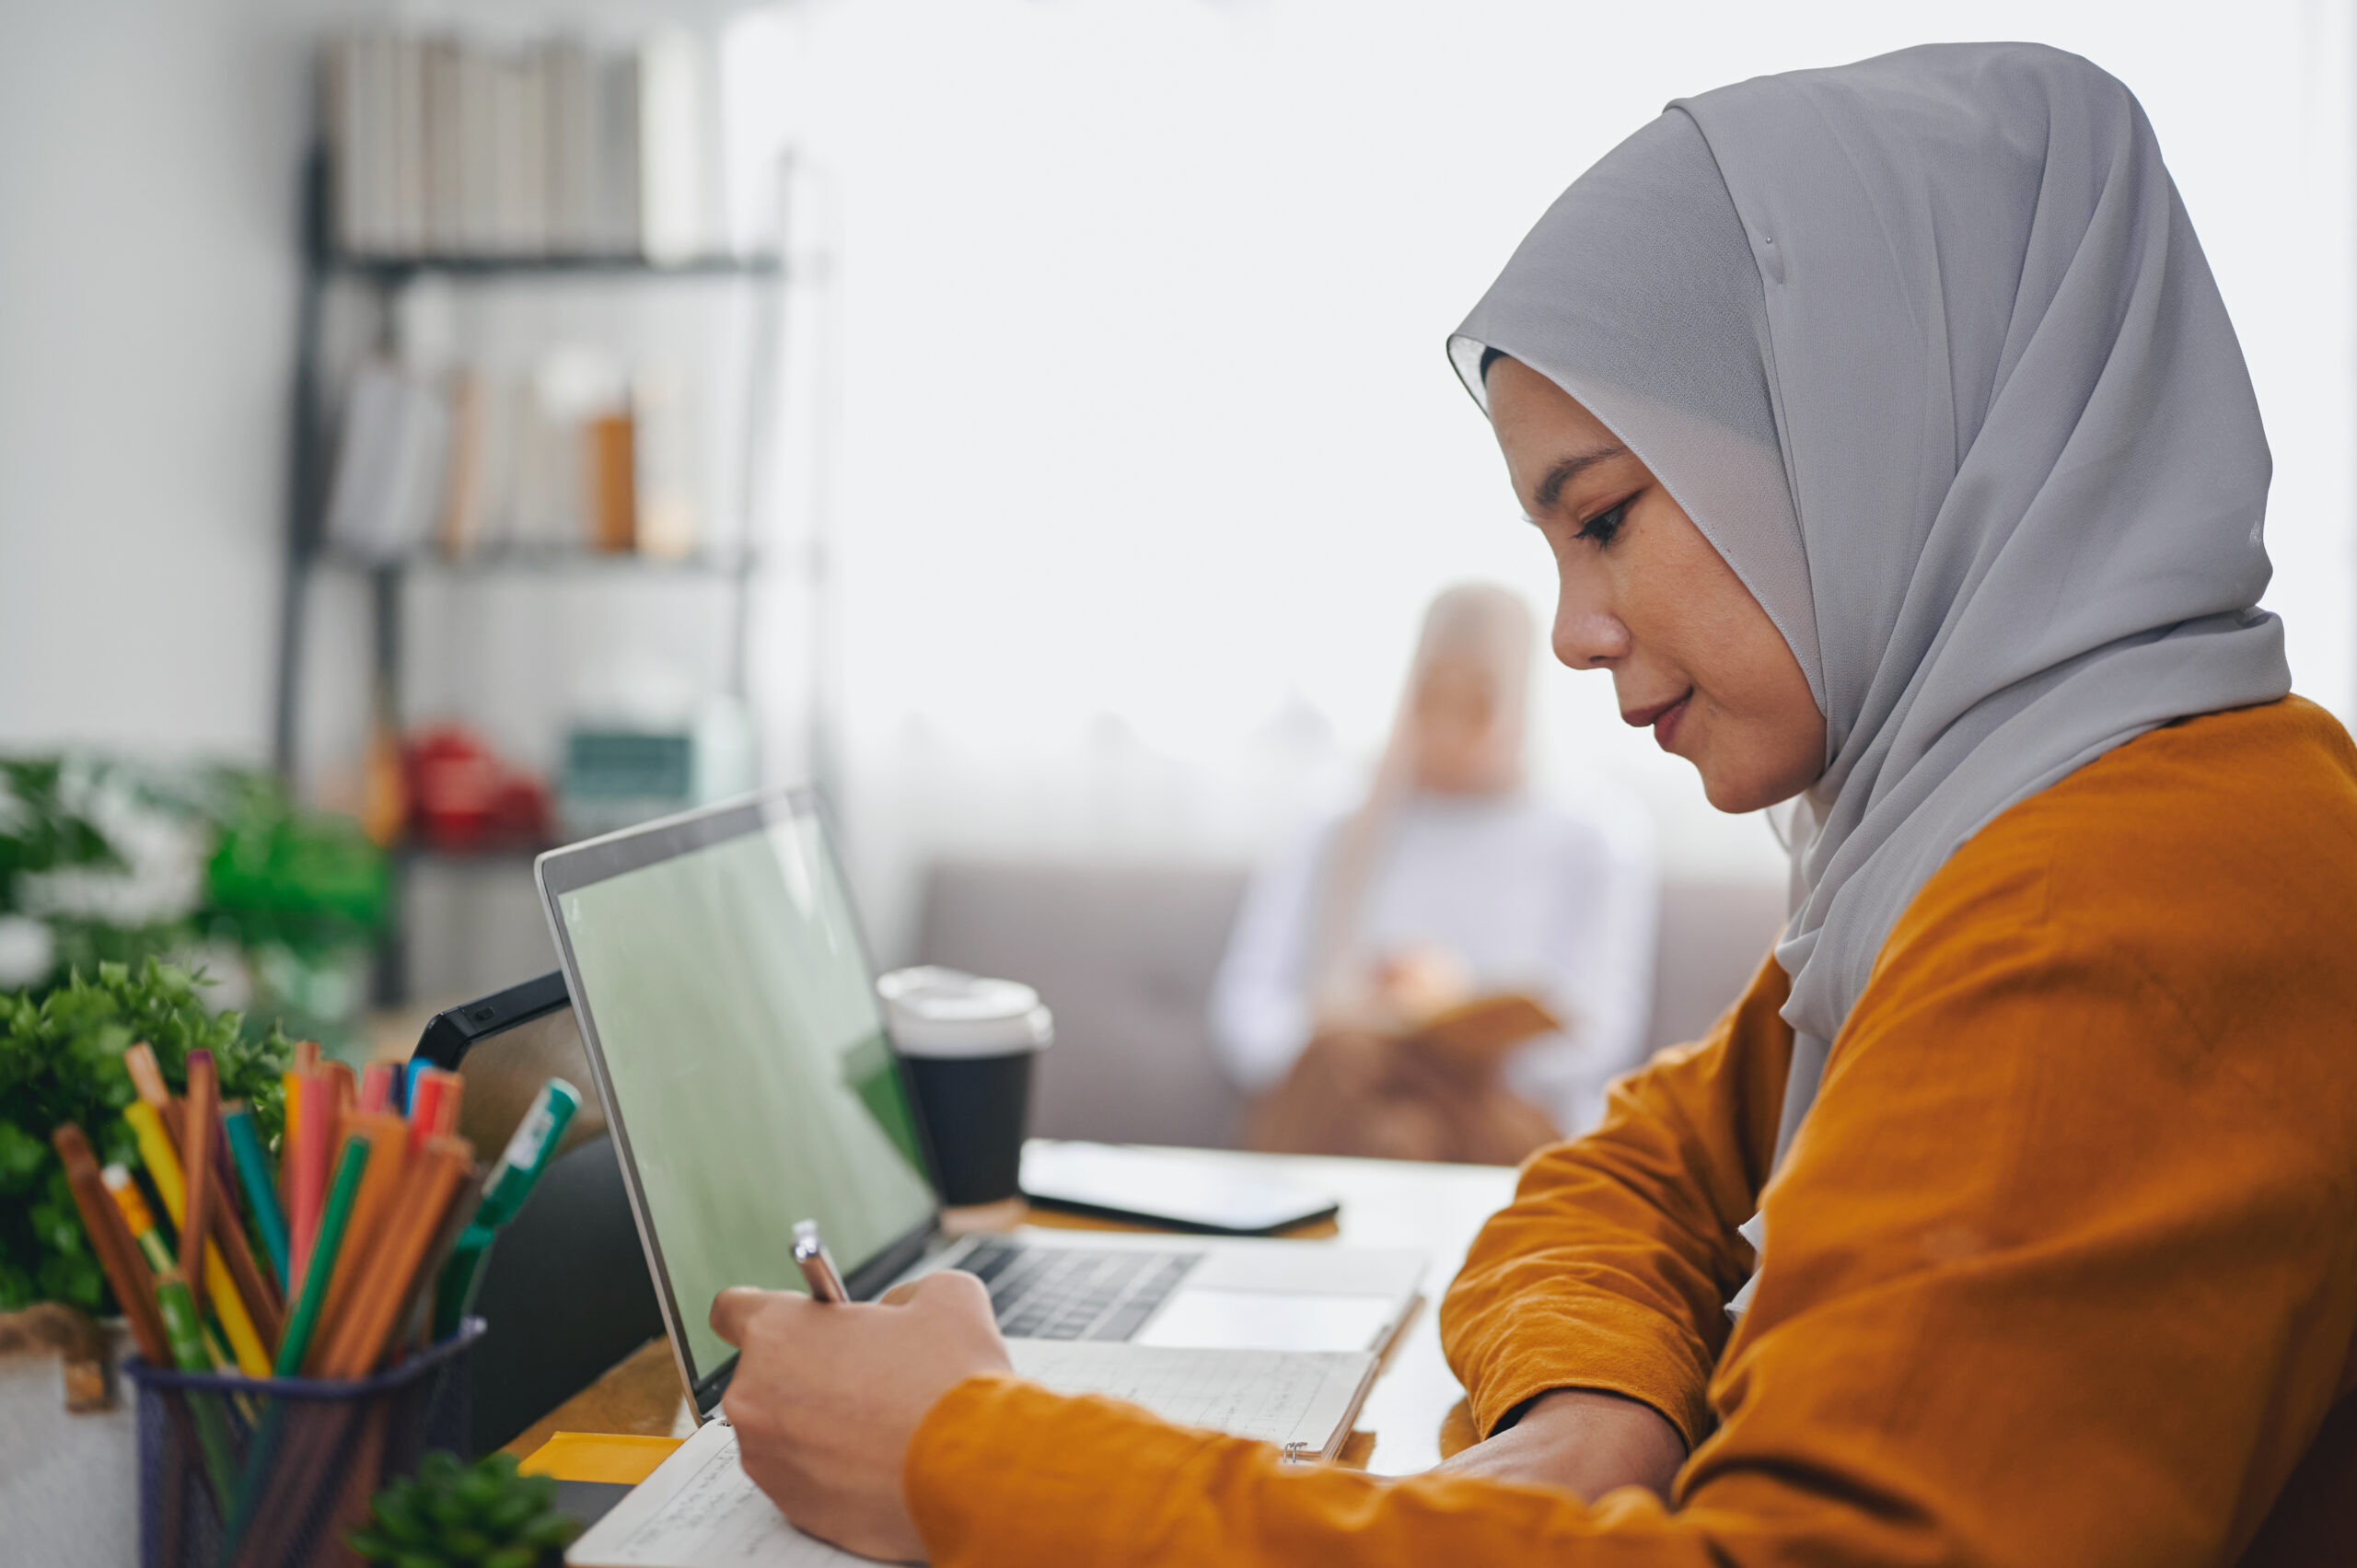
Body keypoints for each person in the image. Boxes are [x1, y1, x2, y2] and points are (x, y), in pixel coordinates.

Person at [705, 43, 2357, 1565]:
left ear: (1875, 436)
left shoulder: (2110, 910)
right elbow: (1627, 1167)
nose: (1572, 631)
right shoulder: (2004, 835)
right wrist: (1588, 1420)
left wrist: (957, 1451)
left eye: (1612, 517)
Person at [1210, 582, 1657, 1162]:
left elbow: (1597, 1036)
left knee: (1409, 1133)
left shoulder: (1594, 835)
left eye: (1474, 702)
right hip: (1346, 1088)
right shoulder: (1334, 828)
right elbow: (1246, 1021)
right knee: (1352, 1078)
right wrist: (1360, 1019)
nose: (1449, 728)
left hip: (1494, 1110)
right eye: (1433, 698)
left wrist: (1457, 1026)